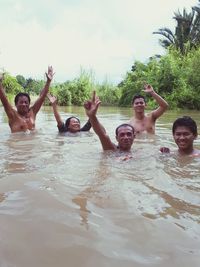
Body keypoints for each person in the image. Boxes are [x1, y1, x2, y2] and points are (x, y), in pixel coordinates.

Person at [0, 66, 54, 133]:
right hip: (17, 143)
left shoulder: (33, 112)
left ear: (29, 104)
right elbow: (4, 100)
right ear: (16, 104)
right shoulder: (12, 115)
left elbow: (42, 97)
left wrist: (48, 81)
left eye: (26, 102)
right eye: (21, 102)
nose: (24, 104)